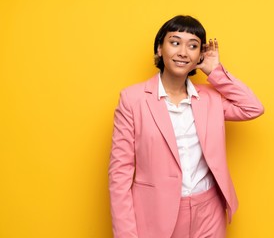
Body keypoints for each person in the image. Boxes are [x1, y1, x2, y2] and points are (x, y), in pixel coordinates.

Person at [109, 15, 264, 238]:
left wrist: (215, 71)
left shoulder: (210, 99)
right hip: (157, 214)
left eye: (193, 46)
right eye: (174, 42)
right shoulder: (132, 100)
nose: (183, 52)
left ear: (199, 55)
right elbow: (119, 174)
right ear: (160, 49)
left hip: (209, 211)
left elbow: (253, 108)